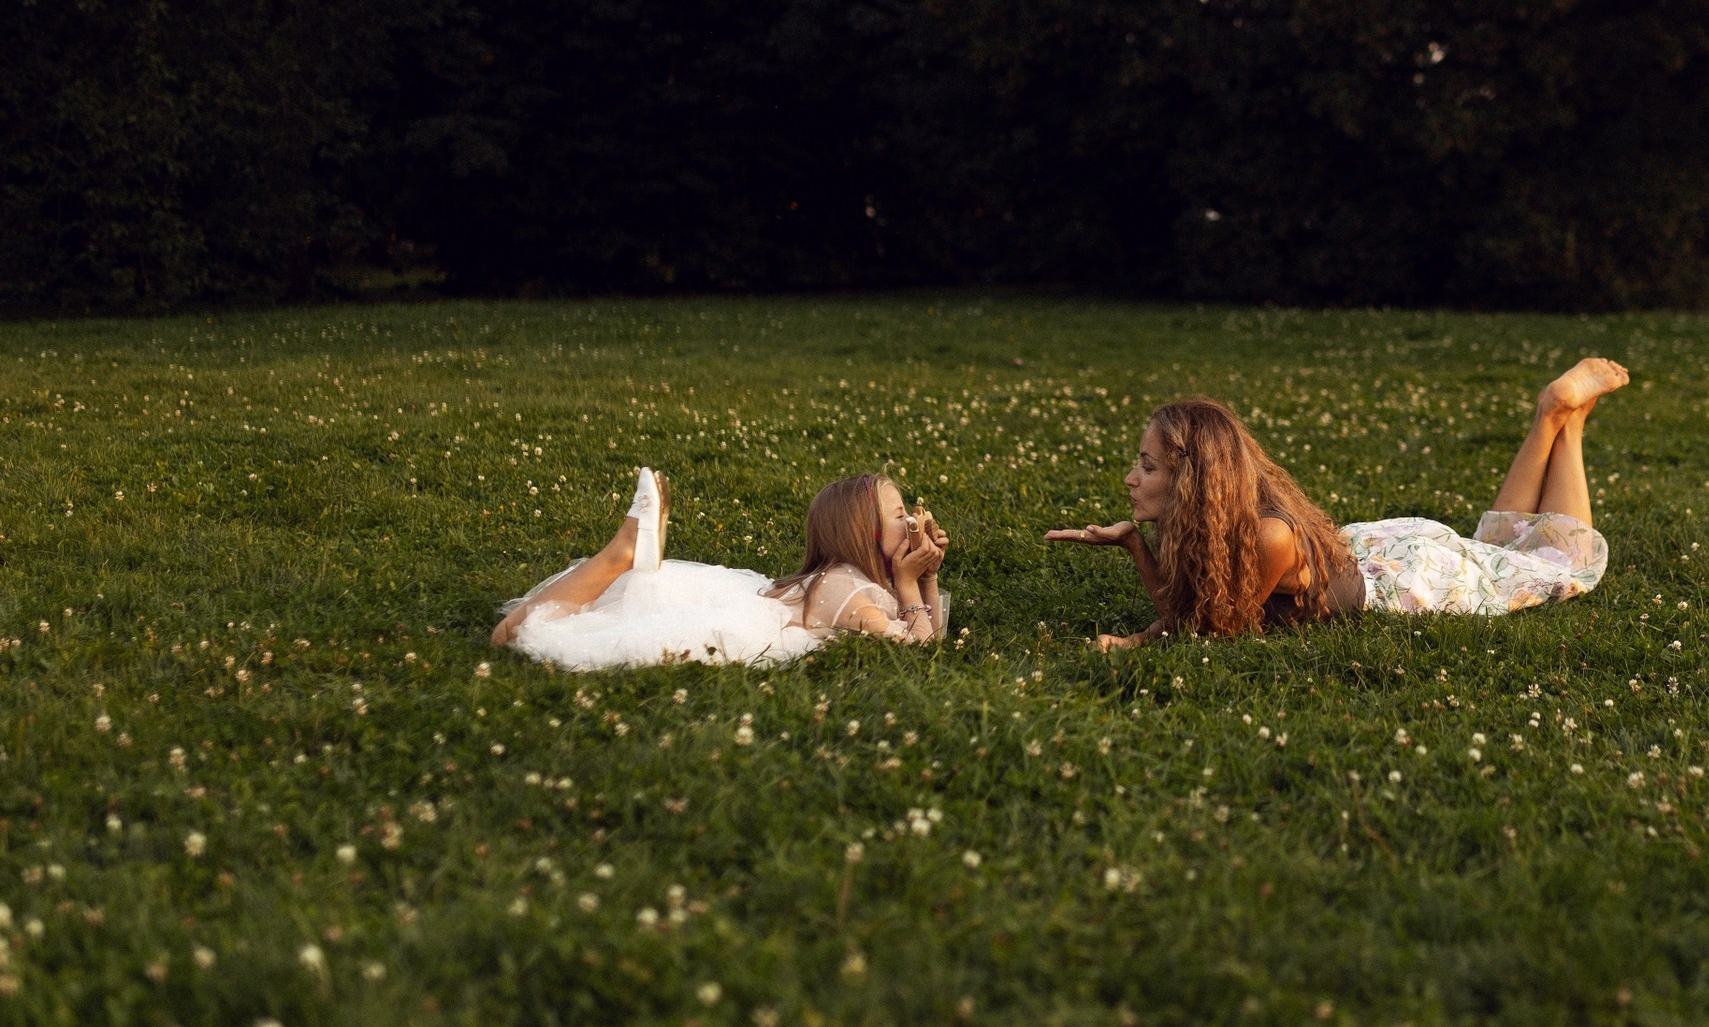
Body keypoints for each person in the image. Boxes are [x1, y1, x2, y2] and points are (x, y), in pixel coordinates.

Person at [1045, 357, 1627, 648]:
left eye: (1146, 467)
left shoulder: (1269, 537)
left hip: (1407, 580)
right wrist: (1132, 543)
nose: (1130, 478)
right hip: (1371, 554)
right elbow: (1193, 609)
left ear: (1191, 480)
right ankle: (1553, 416)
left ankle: (1567, 425)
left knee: (1555, 564)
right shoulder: (1219, 525)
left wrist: (1138, 636)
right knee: (1495, 549)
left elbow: (1213, 633)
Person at [493, 468, 949, 670]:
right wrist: (910, 583)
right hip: (720, 626)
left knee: (570, 620)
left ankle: (625, 554)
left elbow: (931, 632)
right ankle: (620, 553)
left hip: (731, 601)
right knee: (512, 636)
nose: (913, 520)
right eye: (900, 514)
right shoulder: (844, 591)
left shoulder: (851, 582)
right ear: (860, 533)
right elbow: (920, 650)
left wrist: (925, 577)